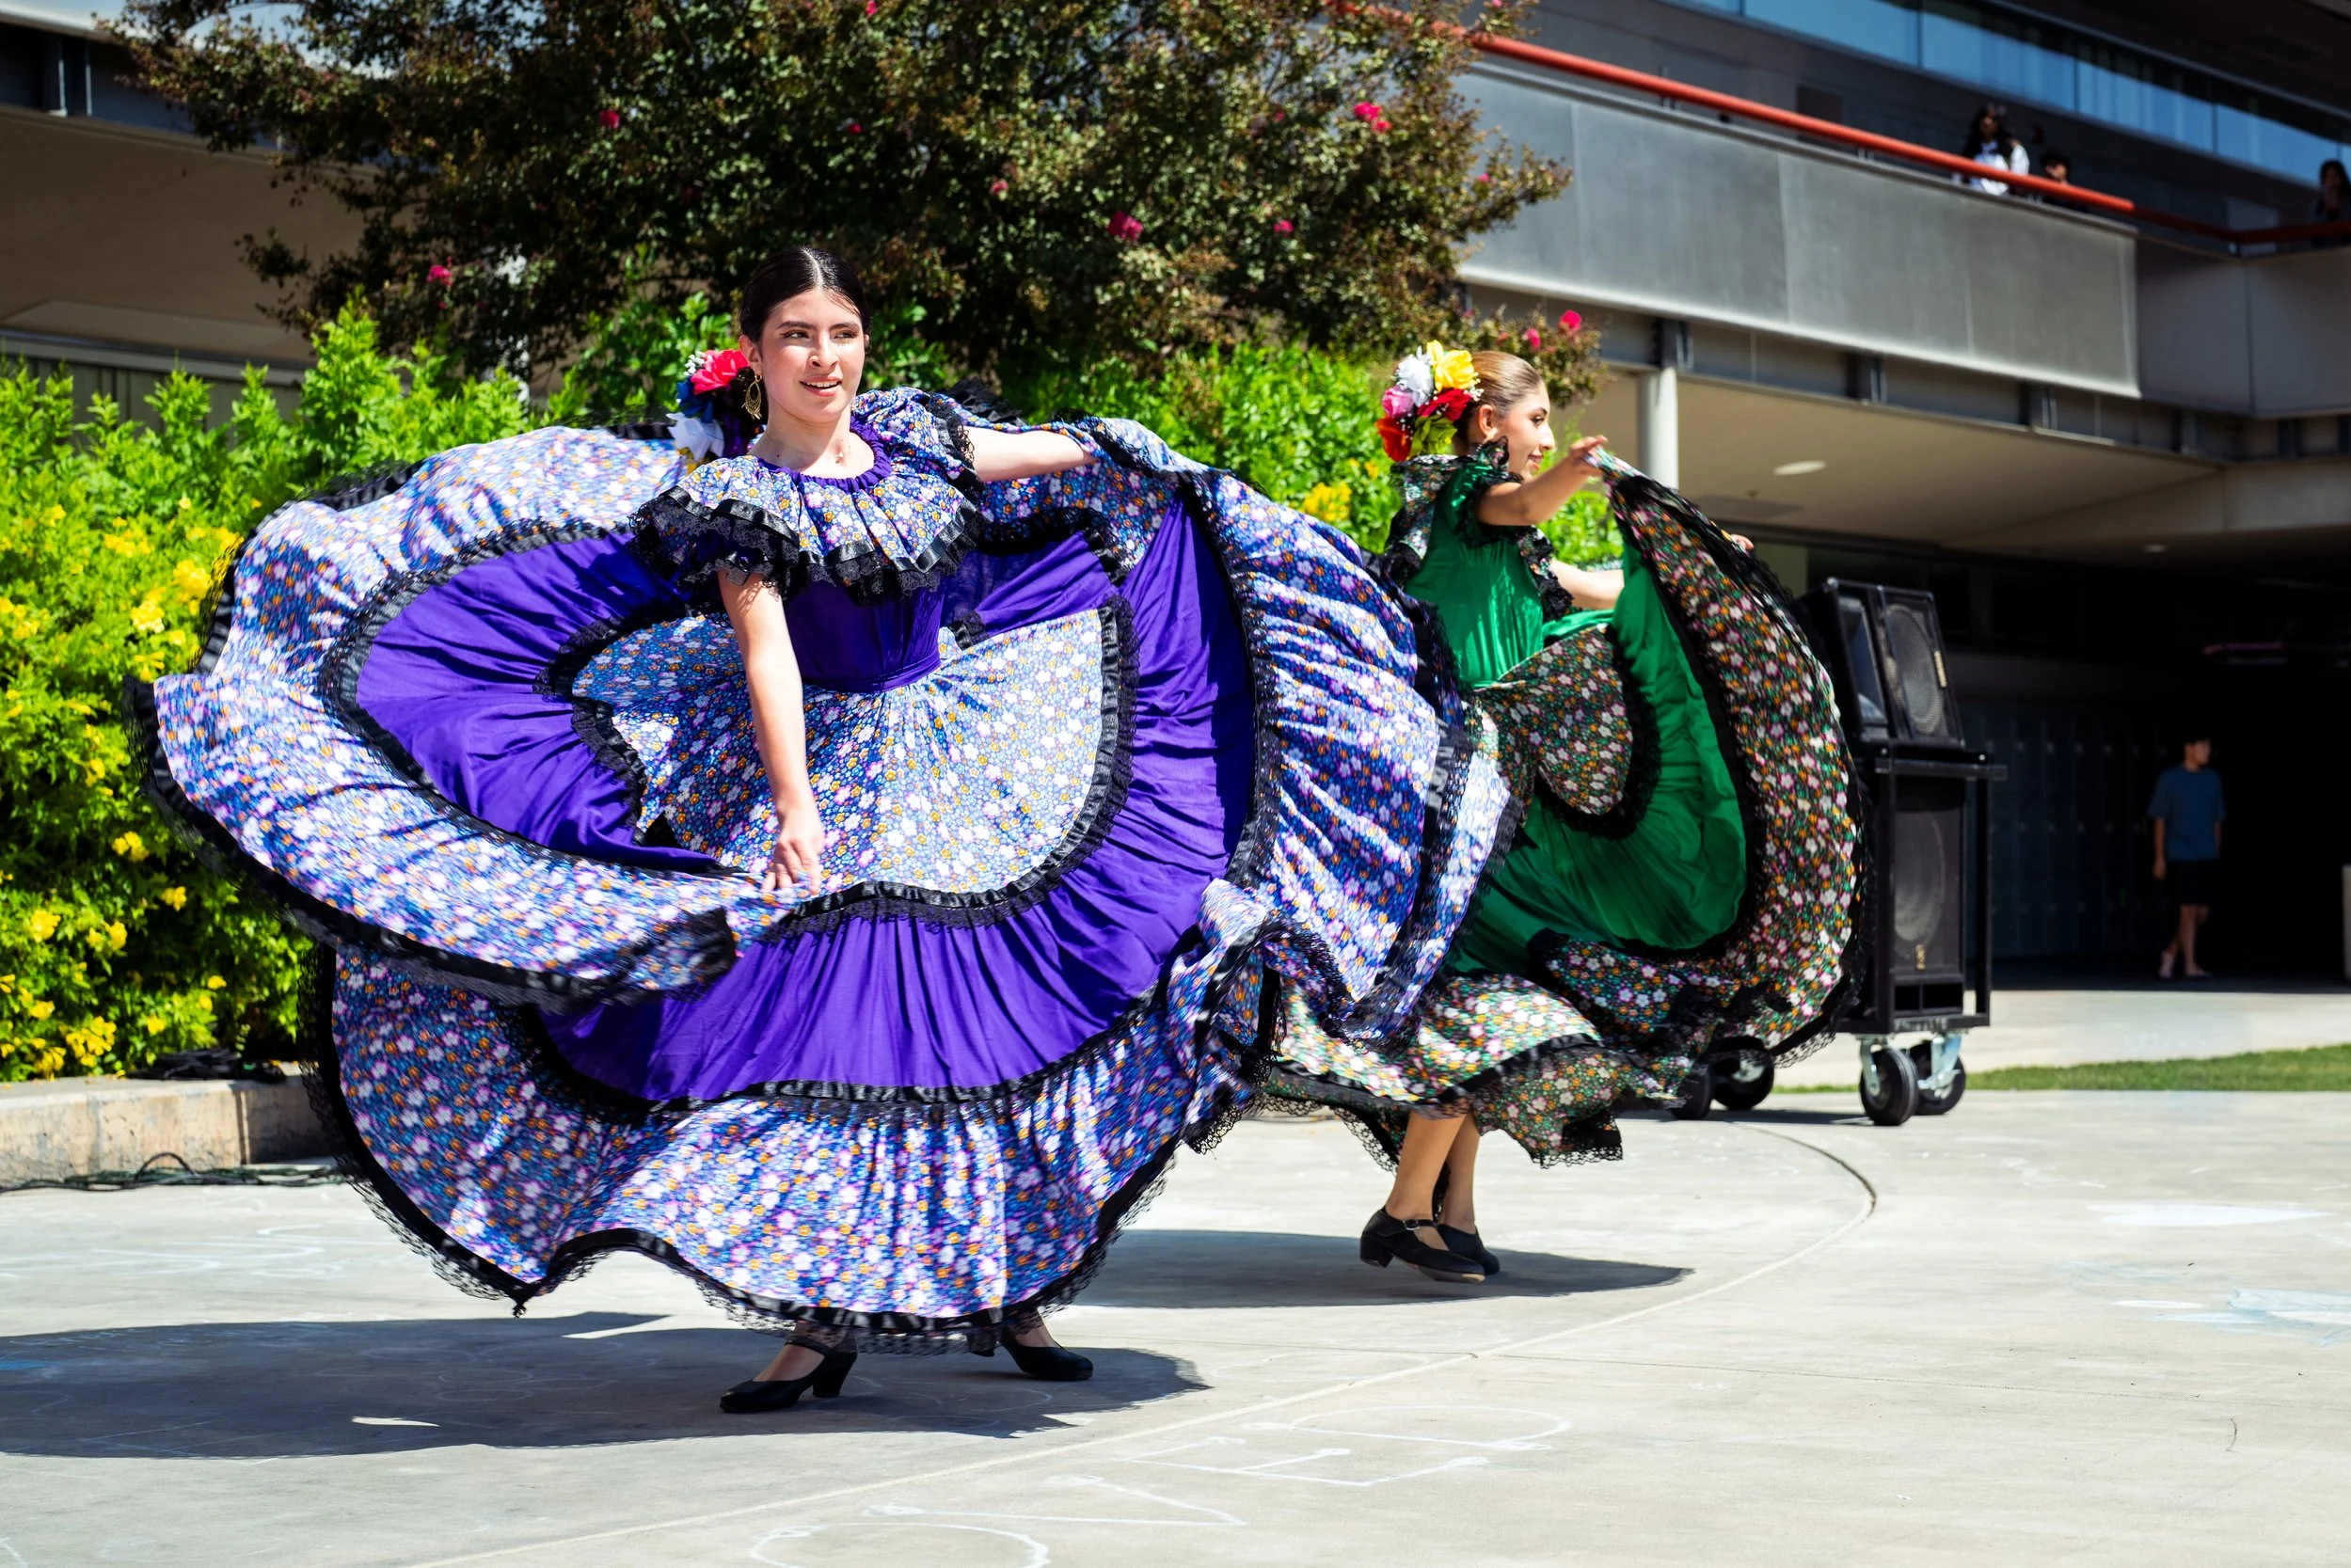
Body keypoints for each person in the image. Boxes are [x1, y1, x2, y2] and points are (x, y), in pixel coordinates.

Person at [132, 247, 1514, 1409]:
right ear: (752, 351)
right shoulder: (740, 494)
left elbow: (1060, 458)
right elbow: (770, 655)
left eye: (843, 333)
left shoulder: (915, 438)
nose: (827, 357)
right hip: (828, 765)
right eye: (799, 337)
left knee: (1007, 1024)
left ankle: (1013, 1289)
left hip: (978, 745)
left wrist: (1141, 465)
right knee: (835, 1047)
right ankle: (825, 1318)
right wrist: (794, 815)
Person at [1272, 344, 1860, 1279]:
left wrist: (1696, 571)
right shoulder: (1459, 509)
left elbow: (1610, 591)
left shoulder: (1514, 542)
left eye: (1549, 424)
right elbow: (1524, 502)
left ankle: (1448, 1213)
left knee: (1499, 1003)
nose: (1545, 436)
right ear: (1487, 423)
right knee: (1488, 1006)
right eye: (1536, 419)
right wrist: (1585, 472)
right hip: (1450, 810)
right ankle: (1400, 1209)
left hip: (1504, 807)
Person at [2150, 735, 2226, 979]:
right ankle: (2190, 965)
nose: (2207, 751)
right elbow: (2160, 819)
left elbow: (2217, 819)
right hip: (2181, 852)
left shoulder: (2212, 779)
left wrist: (2216, 850)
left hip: (2206, 853)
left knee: (2201, 912)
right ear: (2188, 748)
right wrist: (2160, 857)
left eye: (2209, 746)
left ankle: (2171, 951)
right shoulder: (2170, 779)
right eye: (2203, 746)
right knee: (2187, 909)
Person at [1959, 103, 2029, 196]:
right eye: (1983, 117)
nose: (1986, 122)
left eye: (1992, 119)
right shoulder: (1971, 148)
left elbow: (2019, 187)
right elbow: (1958, 179)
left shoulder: (2014, 150)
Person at [2312, 159, 2350, 248]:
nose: (2332, 182)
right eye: (2329, 177)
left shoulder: (2349, 202)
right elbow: (2314, 238)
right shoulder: (2317, 207)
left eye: (2335, 177)